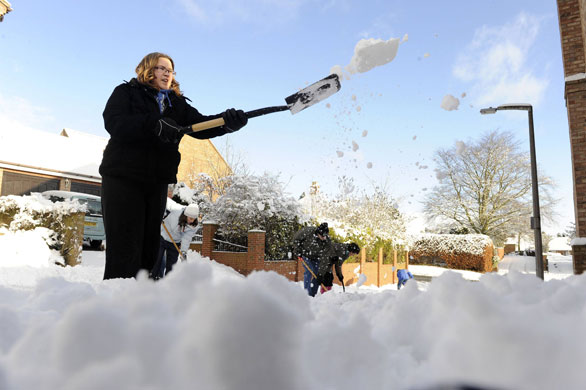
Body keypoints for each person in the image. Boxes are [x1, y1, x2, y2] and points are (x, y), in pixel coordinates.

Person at [99, 52, 248, 279]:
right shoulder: (127, 93)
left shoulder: (175, 104)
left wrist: (227, 123)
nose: (167, 74)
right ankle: (115, 301)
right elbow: (114, 122)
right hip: (123, 178)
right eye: (161, 68)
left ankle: (140, 300)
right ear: (147, 69)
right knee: (125, 245)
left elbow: (201, 125)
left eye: (170, 70)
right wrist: (154, 124)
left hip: (156, 181)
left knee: (149, 249)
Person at [151, 203, 199, 279]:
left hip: (175, 243)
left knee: (171, 266)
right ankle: (152, 278)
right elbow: (164, 203)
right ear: (185, 215)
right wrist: (163, 215)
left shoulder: (193, 225)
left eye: (194, 219)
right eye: (190, 218)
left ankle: (168, 283)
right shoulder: (176, 212)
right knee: (157, 259)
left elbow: (186, 238)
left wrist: (183, 252)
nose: (192, 221)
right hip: (163, 237)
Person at [293, 222, 332, 297]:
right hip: (305, 255)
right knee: (309, 271)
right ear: (318, 233)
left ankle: (313, 294)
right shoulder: (308, 232)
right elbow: (296, 239)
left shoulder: (327, 241)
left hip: (317, 257)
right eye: (323, 236)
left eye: (325, 236)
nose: (324, 238)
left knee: (317, 274)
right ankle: (307, 293)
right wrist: (297, 251)